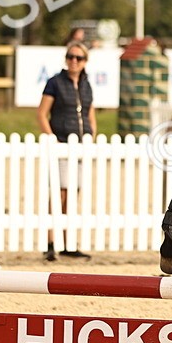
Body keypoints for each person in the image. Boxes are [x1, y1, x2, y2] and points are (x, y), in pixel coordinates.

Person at [36, 42, 97, 260]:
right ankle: (52, 242)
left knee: (73, 195)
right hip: (61, 143)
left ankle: (68, 242)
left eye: (79, 58)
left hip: (80, 146)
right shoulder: (55, 82)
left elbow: (90, 113)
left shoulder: (86, 85)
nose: (74, 61)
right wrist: (51, 138)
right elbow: (42, 113)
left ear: (84, 62)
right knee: (60, 193)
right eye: (71, 56)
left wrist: (93, 135)